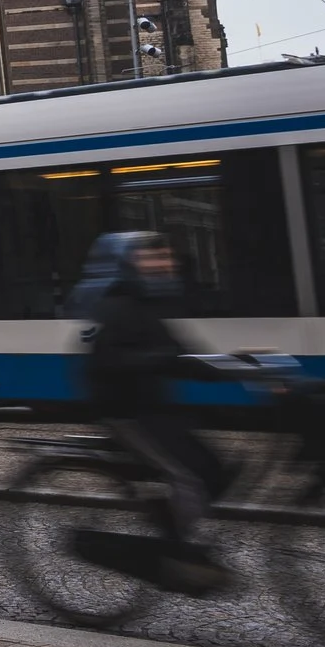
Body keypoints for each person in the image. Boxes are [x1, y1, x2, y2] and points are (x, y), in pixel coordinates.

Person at [74, 230, 237, 592]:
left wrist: (233, 368)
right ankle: (173, 555)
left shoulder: (152, 304)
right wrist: (160, 359)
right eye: (151, 258)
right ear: (128, 264)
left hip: (155, 408)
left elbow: (181, 354)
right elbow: (108, 361)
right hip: (125, 412)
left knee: (216, 468)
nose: (163, 264)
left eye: (166, 258)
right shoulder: (114, 305)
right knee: (188, 478)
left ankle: (168, 526)